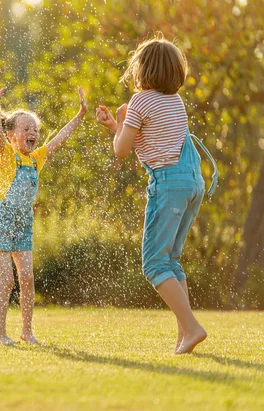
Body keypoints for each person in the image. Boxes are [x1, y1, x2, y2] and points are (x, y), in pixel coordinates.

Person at [96, 33, 216, 354]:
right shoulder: (173, 101)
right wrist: (117, 124)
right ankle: (184, 335)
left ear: (141, 70)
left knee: (153, 264)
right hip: (192, 183)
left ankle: (191, 327)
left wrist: (120, 122)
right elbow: (146, 138)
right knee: (171, 260)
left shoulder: (140, 100)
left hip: (168, 185)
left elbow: (122, 150)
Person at [0, 78, 87, 345]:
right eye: (26, 128)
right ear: (13, 135)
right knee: (7, 281)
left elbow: (60, 138)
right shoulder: (6, 154)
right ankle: (0, 334)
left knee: (26, 278)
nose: (33, 133)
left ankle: (26, 332)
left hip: (23, 224)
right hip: (2, 222)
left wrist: (80, 114)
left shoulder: (37, 158)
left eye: (35, 129)